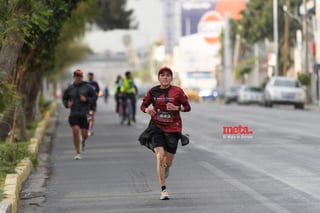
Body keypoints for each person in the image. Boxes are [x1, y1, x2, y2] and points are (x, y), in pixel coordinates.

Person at [140, 66, 191, 200]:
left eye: (168, 75)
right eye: (162, 75)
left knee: (168, 162)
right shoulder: (153, 91)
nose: (165, 77)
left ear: (171, 78)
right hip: (156, 126)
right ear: (159, 78)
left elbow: (187, 107)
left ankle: (166, 167)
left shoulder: (178, 91)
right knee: (160, 156)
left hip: (173, 128)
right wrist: (147, 111)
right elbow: (143, 105)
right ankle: (163, 190)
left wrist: (177, 108)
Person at [62, 69, 97, 160]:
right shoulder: (70, 88)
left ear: (82, 77)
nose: (78, 78)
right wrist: (67, 104)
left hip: (86, 113)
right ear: (74, 77)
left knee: (85, 134)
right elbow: (64, 98)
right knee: (75, 131)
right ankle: (78, 152)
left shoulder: (88, 87)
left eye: (80, 76)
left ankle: (83, 140)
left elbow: (94, 98)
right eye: (76, 76)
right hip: (74, 113)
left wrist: (87, 100)